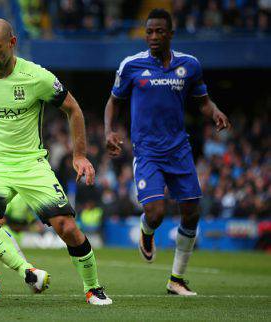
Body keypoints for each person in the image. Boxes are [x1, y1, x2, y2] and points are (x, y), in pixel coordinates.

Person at [0, 18, 112, 305]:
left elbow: (73, 108)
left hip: (31, 163)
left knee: (67, 227)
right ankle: (28, 272)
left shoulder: (37, 77)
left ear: (12, 43)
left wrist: (79, 155)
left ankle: (93, 287)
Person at [104, 9, 230, 295]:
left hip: (179, 149)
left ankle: (177, 279)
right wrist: (109, 130)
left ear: (170, 34)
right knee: (156, 211)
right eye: (149, 32)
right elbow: (113, 101)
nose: (153, 37)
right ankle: (146, 232)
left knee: (191, 212)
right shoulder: (131, 66)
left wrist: (216, 111)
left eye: (159, 31)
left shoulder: (190, 65)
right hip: (147, 151)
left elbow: (203, 101)